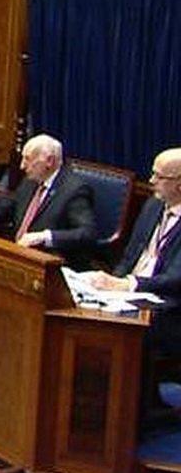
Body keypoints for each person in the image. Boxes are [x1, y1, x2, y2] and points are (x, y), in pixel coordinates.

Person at [82, 148, 181, 423]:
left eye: (159, 176)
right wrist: (109, 282)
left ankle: (123, 417)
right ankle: (93, 405)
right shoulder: (152, 206)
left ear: (180, 184)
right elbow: (129, 255)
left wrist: (126, 284)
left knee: (121, 332)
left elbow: (176, 279)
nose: (150, 181)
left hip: (169, 310)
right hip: (132, 293)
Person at [0, 134, 97, 270]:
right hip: (18, 255)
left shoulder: (74, 190)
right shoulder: (31, 180)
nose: (22, 166)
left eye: (28, 159)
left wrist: (44, 237)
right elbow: (11, 202)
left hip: (48, 263)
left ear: (49, 161)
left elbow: (87, 233)